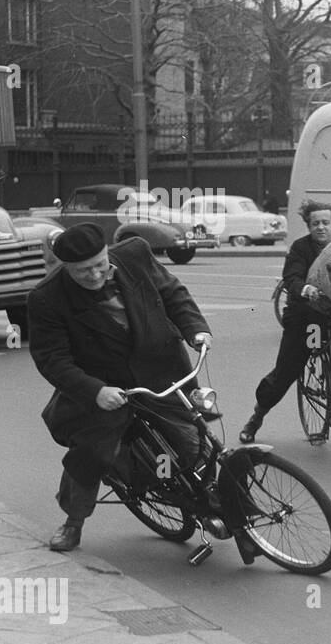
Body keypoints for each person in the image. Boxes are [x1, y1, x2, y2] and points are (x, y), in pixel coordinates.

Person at [28, 223, 213, 552]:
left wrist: (195, 329)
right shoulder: (46, 298)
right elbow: (52, 360)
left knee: (196, 438)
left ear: (107, 253)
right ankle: (74, 520)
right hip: (103, 385)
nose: (96, 275)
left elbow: (171, 292)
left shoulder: (135, 254)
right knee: (94, 450)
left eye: (101, 265)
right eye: (84, 272)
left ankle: (221, 504)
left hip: (160, 369)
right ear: (65, 268)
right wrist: (95, 391)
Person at [238, 202, 331, 444]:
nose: (320, 227)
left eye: (325, 223)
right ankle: (257, 417)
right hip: (308, 321)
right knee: (286, 371)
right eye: (315, 223)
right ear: (309, 226)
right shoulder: (300, 248)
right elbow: (291, 278)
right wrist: (305, 289)